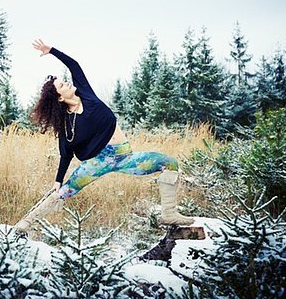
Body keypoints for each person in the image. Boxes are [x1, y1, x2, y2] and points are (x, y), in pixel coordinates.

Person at [13, 39, 193, 234]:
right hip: (97, 162)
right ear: (59, 97)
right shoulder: (67, 124)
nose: (67, 82)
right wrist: (58, 180)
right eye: (62, 84)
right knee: (62, 192)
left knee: (170, 163)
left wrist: (51, 51)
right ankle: (24, 225)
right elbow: (66, 154)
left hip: (125, 157)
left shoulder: (86, 94)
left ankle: (169, 213)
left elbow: (74, 65)